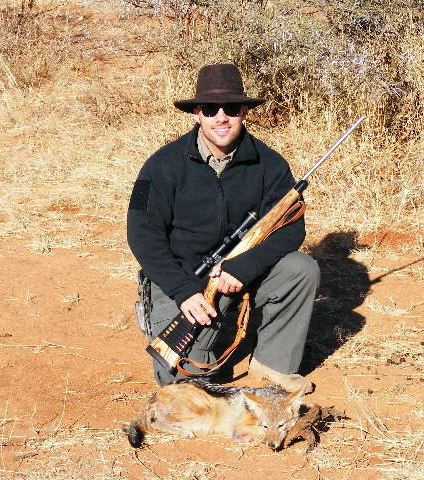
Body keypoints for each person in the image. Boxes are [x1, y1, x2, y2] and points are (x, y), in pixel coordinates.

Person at [127, 64, 319, 392]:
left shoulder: (271, 165)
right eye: (211, 109)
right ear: (197, 114)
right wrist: (183, 290)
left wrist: (243, 266)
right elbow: (141, 233)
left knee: (302, 269)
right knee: (184, 385)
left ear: (244, 111)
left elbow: (290, 229)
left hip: (242, 271)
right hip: (184, 279)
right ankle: (158, 314)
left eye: (231, 108)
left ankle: (272, 370)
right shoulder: (160, 165)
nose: (221, 117)